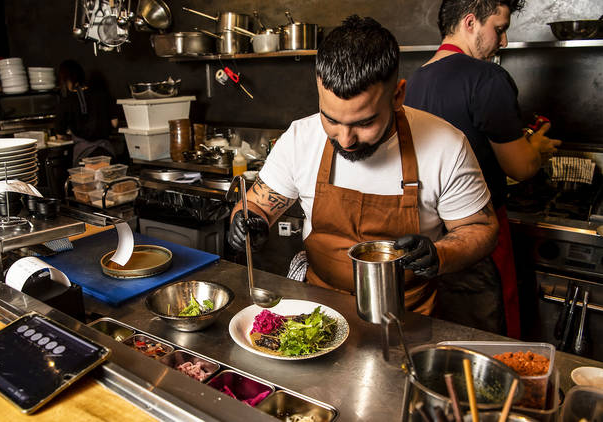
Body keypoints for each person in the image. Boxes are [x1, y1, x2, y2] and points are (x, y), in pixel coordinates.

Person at [228, 15, 499, 318]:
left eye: (364, 122)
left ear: (397, 96)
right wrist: (247, 221)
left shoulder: (445, 145)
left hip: (408, 314)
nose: (345, 140)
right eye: (330, 119)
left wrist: (441, 253)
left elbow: (480, 228)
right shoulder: (300, 138)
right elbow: (255, 205)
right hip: (318, 309)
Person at [404, 0, 561, 336]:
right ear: (471, 22)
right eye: (500, 29)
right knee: (490, 332)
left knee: (441, 332)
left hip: (427, 233)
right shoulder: (488, 78)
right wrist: (538, 148)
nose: (502, 42)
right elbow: (520, 168)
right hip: (479, 230)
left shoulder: (414, 80)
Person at [54, 59, 123, 164]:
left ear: (65, 79)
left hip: (84, 156)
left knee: (86, 181)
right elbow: (115, 123)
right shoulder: (102, 94)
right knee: (111, 180)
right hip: (107, 152)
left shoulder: (66, 102)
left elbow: (59, 136)